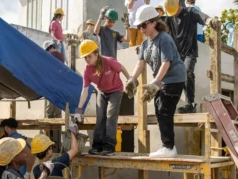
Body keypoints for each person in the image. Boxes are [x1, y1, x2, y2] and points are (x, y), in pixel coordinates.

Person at [125, 5, 186, 157]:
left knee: (164, 110)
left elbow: (166, 63)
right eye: (139, 26)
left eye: (143, 25)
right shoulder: (146, 43)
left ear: (153, 23)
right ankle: (168, 146)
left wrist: (156, 82)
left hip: (174, 79)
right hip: (163, 81)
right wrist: (132, 79)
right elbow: (141, 63)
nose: (141, 29)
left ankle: (169, 148)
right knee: (159, 108)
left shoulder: (164, 39)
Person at [74, 40, 131, 155]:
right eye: (84, 57)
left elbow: (122, 68)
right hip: (102, 91)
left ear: (96, 54)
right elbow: (84, 91)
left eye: (88, 56)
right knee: (100, 118)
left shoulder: (108, 61)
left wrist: (130, 80)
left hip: (116, 91)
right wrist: (79, 110)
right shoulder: (87, 70)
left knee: (110, 116)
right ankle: (97, 146)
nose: (86, 59)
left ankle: (109, 146)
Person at [164, 0, 218, 113]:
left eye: (175, 12)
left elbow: (204, 18)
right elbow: (161, 28)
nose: (173, 14)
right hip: (177, 54)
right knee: (175, 76)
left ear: (179, 4)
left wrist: (211, 21)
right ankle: (171, 103)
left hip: (190, 51)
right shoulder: (170, 17)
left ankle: (190, 104)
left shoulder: (190, 12)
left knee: (187, 71)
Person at [43, 40, 64, 118]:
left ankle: (50, 114)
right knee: (58, 98)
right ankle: (57, 115)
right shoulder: (61, 55)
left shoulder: (50, 56)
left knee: (51, 99)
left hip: (51, 81)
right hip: (60, 81)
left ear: (49, 48)